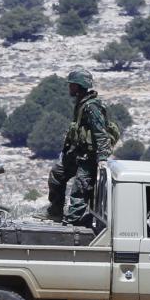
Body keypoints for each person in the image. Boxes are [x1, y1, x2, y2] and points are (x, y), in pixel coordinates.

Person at [47, 69, 112, 224]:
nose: (70, 87)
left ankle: (71, 222)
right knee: (57, 174)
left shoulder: (92, 106)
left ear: (79, 86)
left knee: (80, 189)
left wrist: (102, 158)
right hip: (75, 153)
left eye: (72, 85)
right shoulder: (81, 103)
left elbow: (100, 133)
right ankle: (56, 212)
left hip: (88, 157)